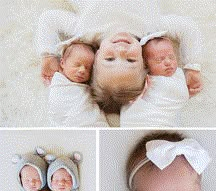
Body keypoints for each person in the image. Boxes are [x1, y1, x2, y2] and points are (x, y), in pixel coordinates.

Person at [36, 0, 203, 115]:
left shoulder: (85, 31)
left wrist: (48, 55)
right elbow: (187, 27)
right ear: (145, 63)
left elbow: (48, 19)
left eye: (110, 59)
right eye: (131, 60)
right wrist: (192, 67)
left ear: (95, 58)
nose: (121, 50)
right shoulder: (151, 28)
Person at [120, 36, 190, 126]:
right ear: (146, 64)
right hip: (148, 118)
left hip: (170, 118)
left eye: (171, 57)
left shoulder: (179, 74)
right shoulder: (146, 79)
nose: (168, 62)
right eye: (159, 60)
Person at [48, 40, 109, 126]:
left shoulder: (88, 86)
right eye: (77, 65)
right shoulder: (59, 84)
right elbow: (57, 107)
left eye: (88, 68)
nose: (82, 70)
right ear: (62, 63)